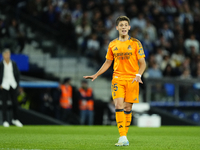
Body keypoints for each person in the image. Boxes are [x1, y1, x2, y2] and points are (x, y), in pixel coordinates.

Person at [84, 16, 146, 146]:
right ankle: (122, 136)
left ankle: (124, 136)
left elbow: (143, 63)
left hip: (132, 79)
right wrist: (96, 74)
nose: (123, 27)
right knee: (118, 105)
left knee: (128, 107)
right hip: (117, 78)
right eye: (121, 25)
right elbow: (107, 62)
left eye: (125, 25)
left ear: (129, 27)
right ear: (117, 27)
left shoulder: (136, 43)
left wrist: (139, 75)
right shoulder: (112, 44)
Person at [0, 49, 23, 127]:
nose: (8, 55)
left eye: (9, 54)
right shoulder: (1, 64)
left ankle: (15, 119)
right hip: (4, 85)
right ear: (3, 55)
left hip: (13, 84)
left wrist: (17, 84)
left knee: (15, 103)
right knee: (4, 104)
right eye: (6, 54)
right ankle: (5, 121)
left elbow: (17, 74)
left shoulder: (13, 63)